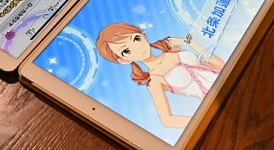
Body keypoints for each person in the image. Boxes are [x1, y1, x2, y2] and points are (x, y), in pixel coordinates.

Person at [96, 22, 224, 129]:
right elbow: (167, 120)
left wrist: (190, 43)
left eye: (136, 39)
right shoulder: (154, 80)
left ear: (143, 35)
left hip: (227, 76)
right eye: (126, 51)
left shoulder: (171, 50)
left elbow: (217, 65)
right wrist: (206, 120)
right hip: (218, 99)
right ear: (123, 60)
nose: (138, 47)